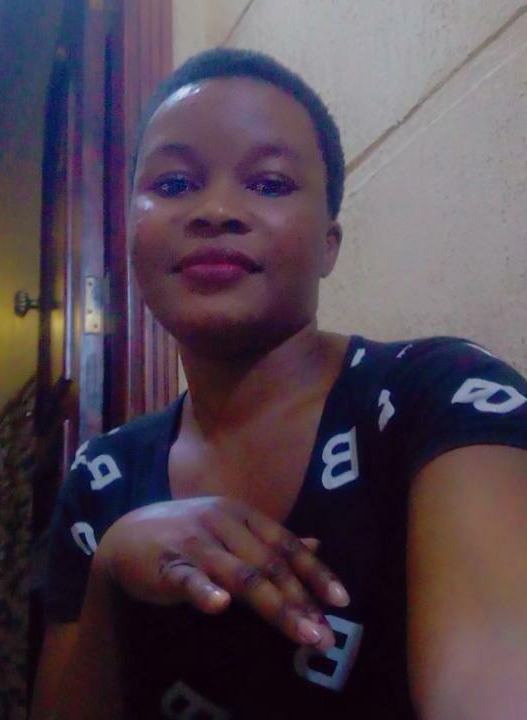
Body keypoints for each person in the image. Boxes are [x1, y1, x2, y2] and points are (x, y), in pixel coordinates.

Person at [31, 49, 527, 720]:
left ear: (329, 244)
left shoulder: (443, 397)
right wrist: (108, 576)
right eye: (174, 183)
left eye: (268, 183)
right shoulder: (100, 480)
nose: (215, 210)